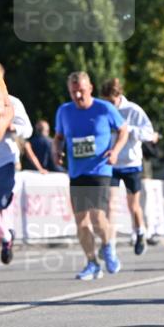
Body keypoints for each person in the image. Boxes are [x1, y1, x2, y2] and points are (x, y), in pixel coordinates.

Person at [53, 71, 128, 280]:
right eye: (73, 92)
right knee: (81, 221)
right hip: (77, 172)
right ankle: (92, 263)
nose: (78, 96)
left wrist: (115, 151)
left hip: (100, 169)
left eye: (81, 91)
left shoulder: (104, 108)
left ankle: (108, 246)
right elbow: (58, 137)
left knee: (97, 216)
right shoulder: (64, 111)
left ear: (90, 88)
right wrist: (56, 151)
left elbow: (123, 130)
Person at [0, 66, 32, 282]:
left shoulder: (12, 102)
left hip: (4, 163)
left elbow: (27, 129)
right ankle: (5, 237)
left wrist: (13, 128)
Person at [101, 78, 159, 256]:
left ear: (119, 96)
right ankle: (109, 244)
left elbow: (149, 133)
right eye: (106, 101)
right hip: (111, 164)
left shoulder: (133, 110)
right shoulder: (104, 110)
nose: (110, 105)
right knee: (110, 205)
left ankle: (140, 232)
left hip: (131, 163)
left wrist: (129, 129)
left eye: (112, 101)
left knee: (133, 206)